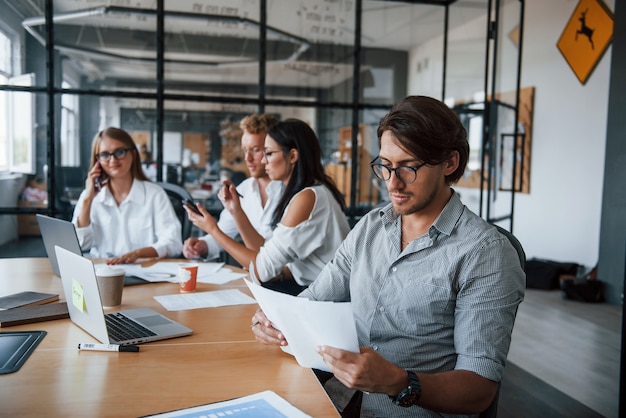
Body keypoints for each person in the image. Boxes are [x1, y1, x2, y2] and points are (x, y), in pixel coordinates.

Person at [250, 96, 525, 417]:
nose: (393, 183)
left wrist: (398, 382)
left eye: (409, 167)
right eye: (385, 166)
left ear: (450, 163)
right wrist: (274, 318)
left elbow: (478, 389)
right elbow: (313, 299)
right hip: (340, 399)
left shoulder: (485, 253)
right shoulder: (371, 227)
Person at [185, 118, 351, 295]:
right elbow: (265, 255)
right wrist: (235, 210)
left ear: (293, 156)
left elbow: (261, 270)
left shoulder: (307, 198)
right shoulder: (310, 192)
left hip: (321, 299)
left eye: (268, 153)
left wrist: (212, 229)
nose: (263, 161)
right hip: (310, 290)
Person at [72, 127, 182, 264]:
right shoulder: (89, 196)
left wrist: (139, 253)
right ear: (97, 160)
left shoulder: (155, 194)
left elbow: (174, 243)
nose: (113, 160)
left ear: (133, 154)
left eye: (119, 152)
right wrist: (88, 200)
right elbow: (80, 244)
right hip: (102, 273)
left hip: (144, 273)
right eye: (105, 154)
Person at [182, 113, 284, 261]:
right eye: (244, 150)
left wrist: (213, 229)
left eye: (255, 149)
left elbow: (274, 260)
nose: (247, 158)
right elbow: (223, 233)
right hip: (257, 275)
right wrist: (202, 245)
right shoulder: (244, 190)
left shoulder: (294, 192)